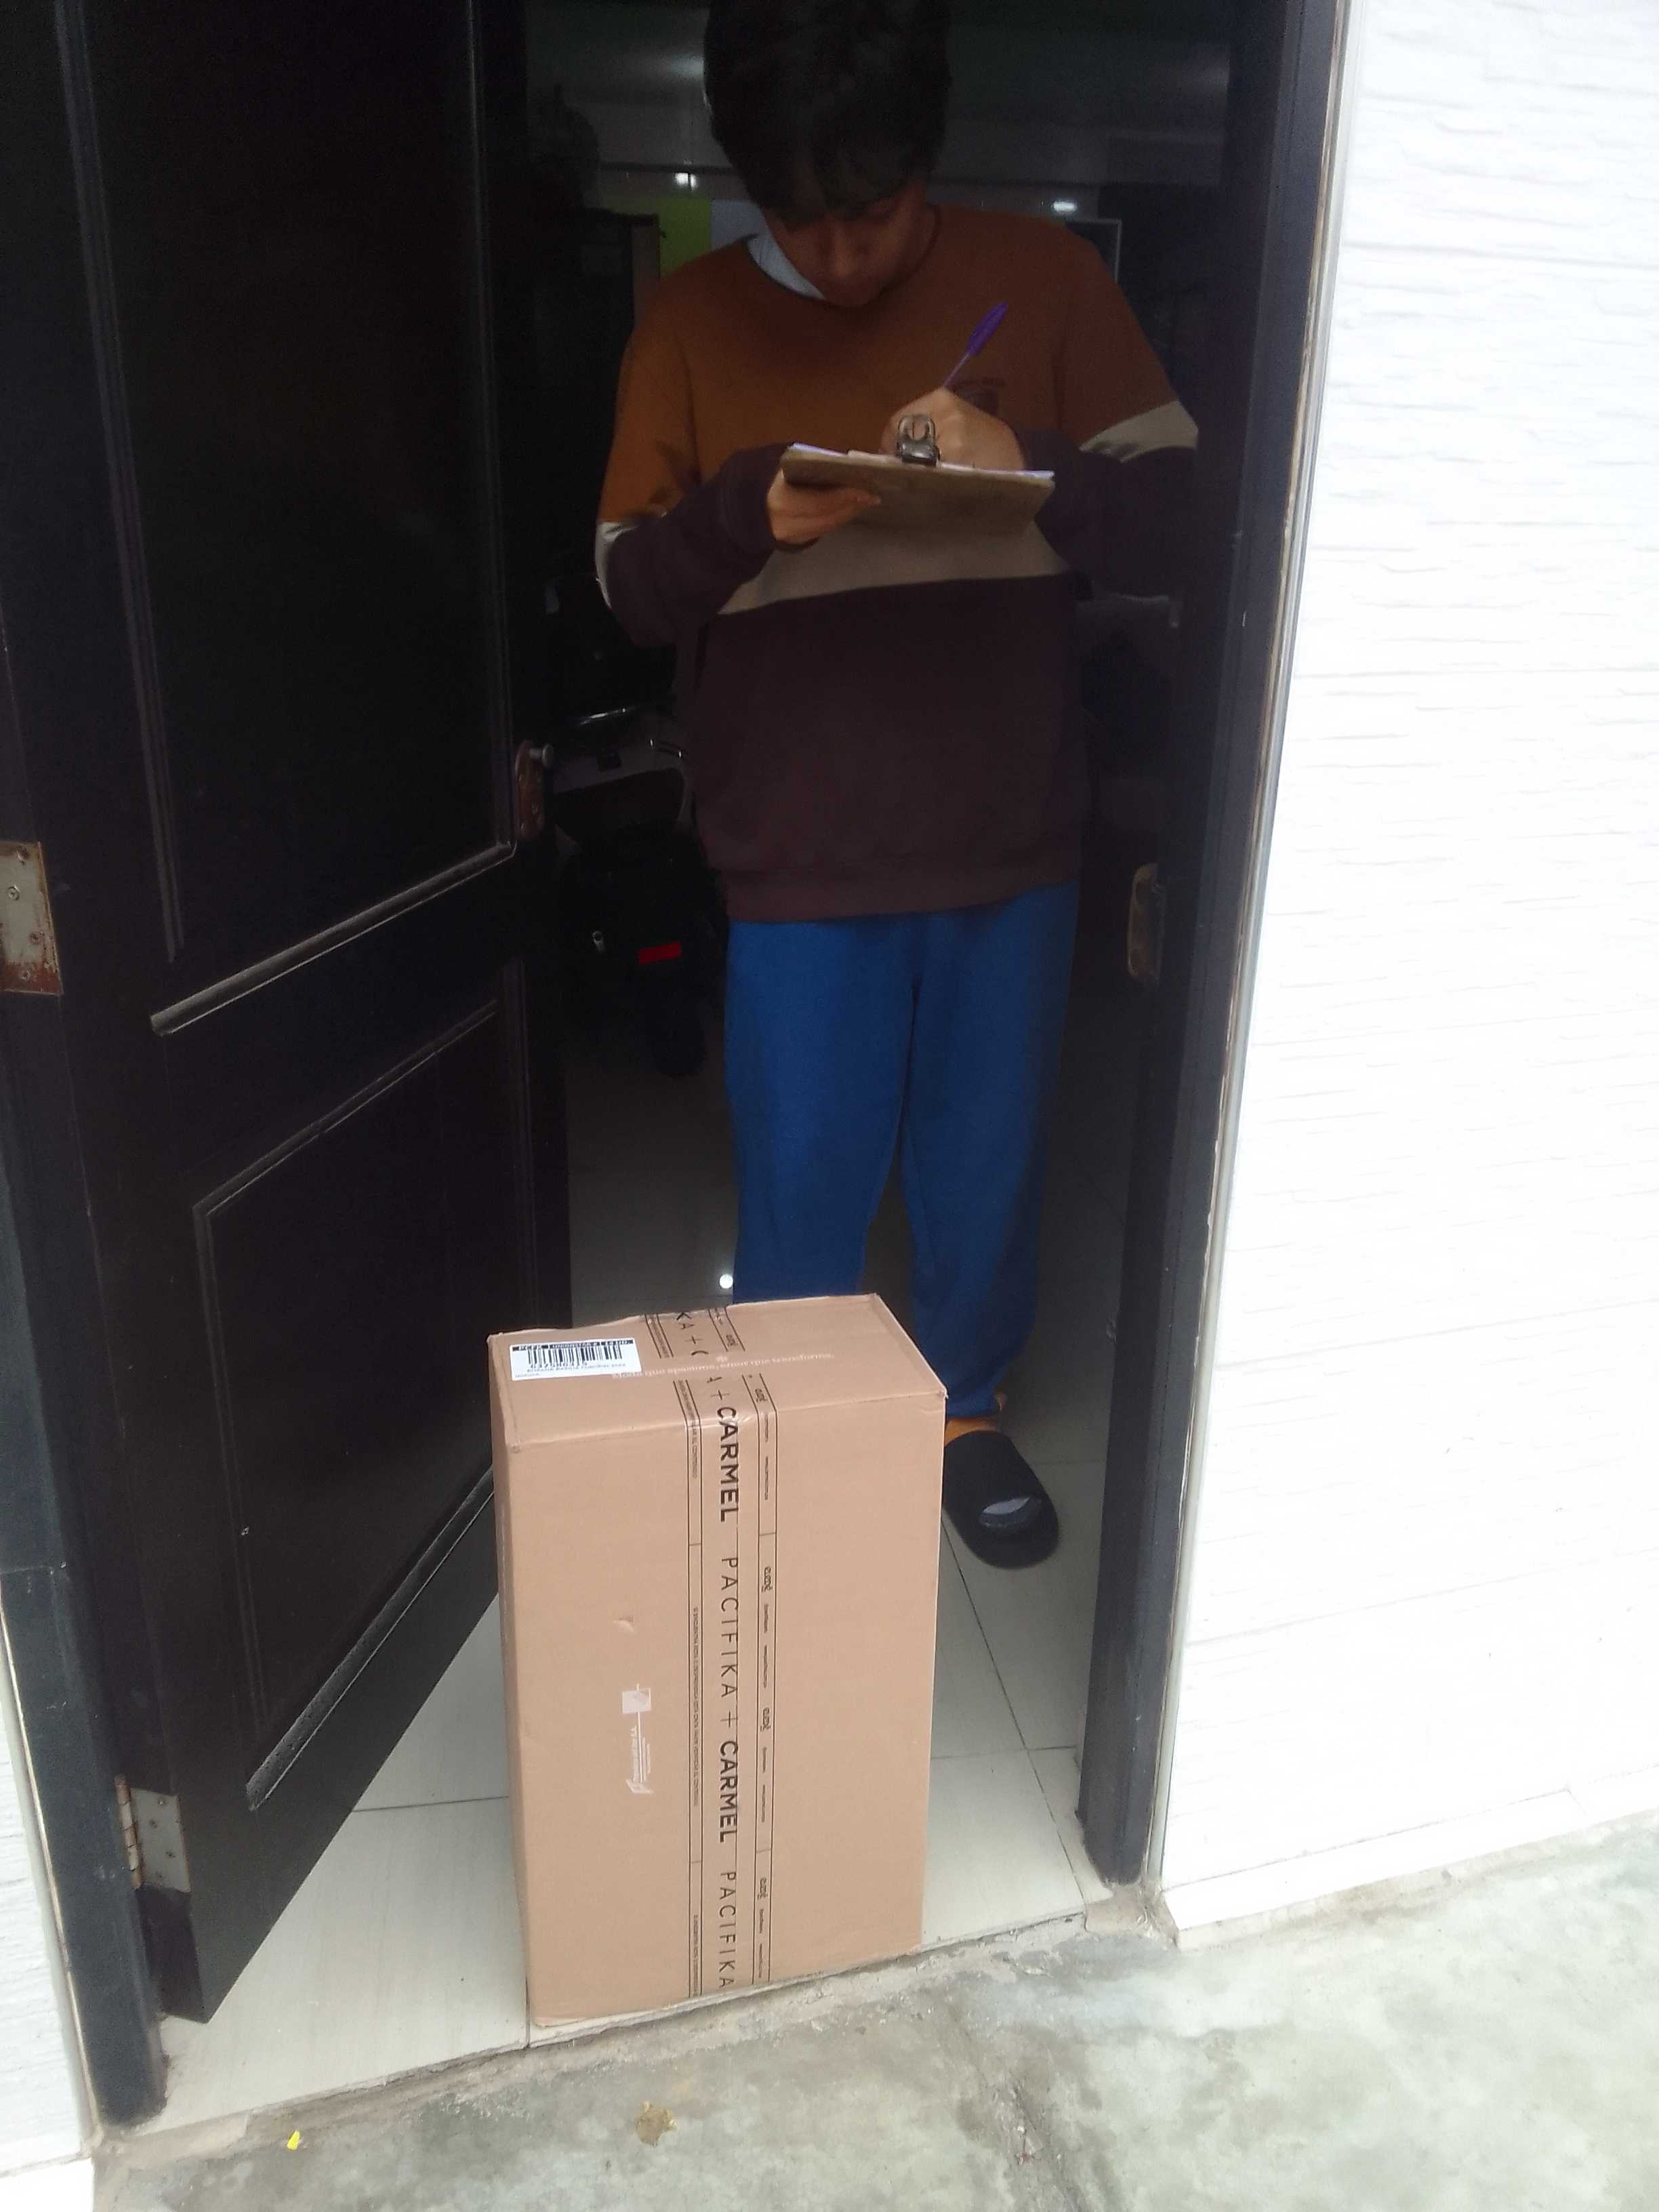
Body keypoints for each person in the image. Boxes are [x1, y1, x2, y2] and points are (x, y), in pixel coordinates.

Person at [596, 0, 1195, 1568]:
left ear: (929, 158)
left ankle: (960, 1407)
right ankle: (797, 1419)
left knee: (986, 1156)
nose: (843, 254)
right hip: (798, 839)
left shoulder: (1048, 282)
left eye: (873, 212)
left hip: (1010, 825)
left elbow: (1189, 523)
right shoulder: (687, 323)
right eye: (803, 221)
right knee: (802, 1163)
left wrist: (1029, 459)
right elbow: (628, 589)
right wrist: (742, 514)